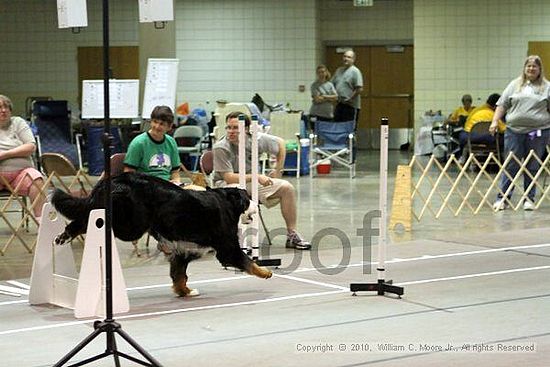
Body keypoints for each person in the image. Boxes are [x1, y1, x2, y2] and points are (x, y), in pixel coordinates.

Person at [212, 111, 311, 250]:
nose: (231, 131)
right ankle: (233, 239)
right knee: (237, 192)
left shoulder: (255, 140)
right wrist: (257, 176)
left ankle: (292, 235)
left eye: (235, 128)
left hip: (251, 182)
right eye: (228, 127)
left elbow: (281, 143)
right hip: (226, 185)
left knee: (287, 188)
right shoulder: (221, 147)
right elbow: (228, 177)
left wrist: (278, 170)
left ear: (246, 129)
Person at [490, 55, 550, 211]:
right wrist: (495, 121)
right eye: (528, 66)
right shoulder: (514, 85)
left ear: (539, 69)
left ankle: (528, 199)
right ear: (524, 68)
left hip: (538, 132)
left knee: (533, 165)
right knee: (510, 164)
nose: (531, 69)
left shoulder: (547, 86)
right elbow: (502, 105)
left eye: (534, 66)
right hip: (514, 131)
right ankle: (502, 198)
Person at [0, 95, 45, 221]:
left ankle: (41, 222)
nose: (3, 110)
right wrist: (16, 151)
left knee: (36, 178)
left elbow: (30, 147)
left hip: (20, 173)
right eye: (0, 107)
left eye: (6, 107)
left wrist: (5, 154)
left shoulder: (18, 122)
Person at [124, 105, 182, 184]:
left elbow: (175, 171)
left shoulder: (171, 142)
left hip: (167, 185)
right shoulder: (138, 143)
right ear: (151, 121)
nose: (157, 126)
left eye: (162, 124)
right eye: (155, 122)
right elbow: (129, 173)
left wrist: (176, 181)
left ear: (169, 127)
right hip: (146, 185)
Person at [457, 93, 505, 161]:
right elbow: (503, 129)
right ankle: (503, 160)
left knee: (462, 135)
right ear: (496, 106)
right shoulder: (494, 114)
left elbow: (466, 127)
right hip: (490, 139)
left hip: (471, 138)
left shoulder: (475, 111)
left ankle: (463, 158)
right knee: (505, 137)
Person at [331, 50, 363, 123]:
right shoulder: (339, 70)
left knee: (349, 129)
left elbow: (359, 89)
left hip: (351, 106)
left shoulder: (355, 71)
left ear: (353, 60)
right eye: (344, 56)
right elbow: (331, 84)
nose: (346, 59)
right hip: (339, 104)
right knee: (337, 125)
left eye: (349, 57)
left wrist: (350, 99)